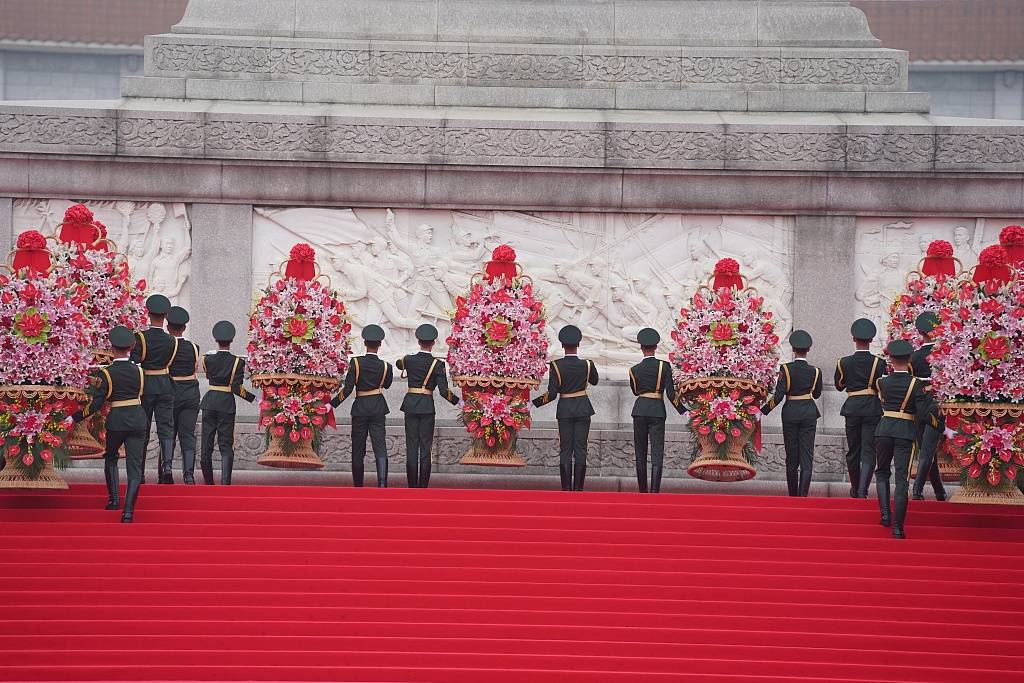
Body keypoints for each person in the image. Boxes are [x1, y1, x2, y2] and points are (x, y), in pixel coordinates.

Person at [73, 326, 148, 523]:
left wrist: (76, 417)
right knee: (135, 468)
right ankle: (128, 512)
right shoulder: (140, 372)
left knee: (111, 456)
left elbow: (96, 404)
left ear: (112, 348)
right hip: (138, 419)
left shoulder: (105, 374)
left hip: (117, 421)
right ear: (131, 347)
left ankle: (114, 500)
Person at [875, 339, 937, 539]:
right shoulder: (915, 384)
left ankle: (885, 514)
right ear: (909, 359)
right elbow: (922, 413)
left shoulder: (881, 382)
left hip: (884, 429)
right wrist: (937, 423)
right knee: (901, 479)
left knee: (882, 471)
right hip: (904, 431)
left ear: (891, 359)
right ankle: (898, 527)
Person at [533, 325, 600, 491]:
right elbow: (595, 381)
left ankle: (566, 490)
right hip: (583, 409)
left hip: (565, 410)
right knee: (581, 448)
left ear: (562, 345)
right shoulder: (588, 364)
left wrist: (534, 403)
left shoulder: (556, 366)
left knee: (565, 449)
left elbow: (552, 394)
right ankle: (578, 489)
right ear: (579, 344)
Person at [396, 324, 460, 488]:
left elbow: (398, 364)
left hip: (410, 405)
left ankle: (412, 486)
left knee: (412, 445)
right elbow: (444, 392)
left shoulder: (408, 360)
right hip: (426, 406)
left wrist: (407, 361)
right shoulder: (438, 365)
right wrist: (459, 403)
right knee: (426, 446)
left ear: (418, 341)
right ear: (433, 343)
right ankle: (423, 487)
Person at [762, 330, 823, 497]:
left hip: (790, 413)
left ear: (793, 349)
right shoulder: (816, 371)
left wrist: (763, 411)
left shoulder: (786, 369)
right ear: (808, 349)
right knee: (806, 455)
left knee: (792, 456)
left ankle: (793, 496)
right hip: (809, 413)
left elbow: (779, 396)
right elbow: (816, 394)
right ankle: (803, 496)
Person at [333, 325, 394, 487]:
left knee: (358, 447)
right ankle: (382, 484)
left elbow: (347, 389)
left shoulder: (356, 363)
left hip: (360, 408)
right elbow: (387, 385)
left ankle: (358, 485)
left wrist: (331, 405)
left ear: (365, 343)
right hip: (378, 407)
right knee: (380, 445)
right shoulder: (387, 366)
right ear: (380, 344)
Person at [835, 319, 888, 498]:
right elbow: (882, 387)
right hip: (871, 409)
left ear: (853, 338)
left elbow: (839, 385)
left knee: (853, 450)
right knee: (868, 450)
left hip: (852, 409)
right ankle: (862, 490)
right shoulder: (878, 363)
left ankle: (855, 487)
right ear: (871, 340)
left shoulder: (844, 362)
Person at [628, 328, 685, 493]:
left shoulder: (633, 370)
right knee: (657, 452)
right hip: (657, 411)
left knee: (640, 452)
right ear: (656, 346)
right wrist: (682, 410)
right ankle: (654, 492)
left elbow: (635, 391)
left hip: (639, 410)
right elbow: (670, 393)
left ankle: (642, 491)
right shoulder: (664, 366)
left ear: (641, 347)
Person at [198, 321, 256, 485]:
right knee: (225, 444)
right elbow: (237, 388)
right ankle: (225, 483)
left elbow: (209, 376)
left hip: (209, 402)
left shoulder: (207, 359)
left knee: (206, 444)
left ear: (216, 339)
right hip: (226, 404)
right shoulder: (238, 362)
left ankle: (208, 483)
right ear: (232, 340)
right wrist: (254, 399)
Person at [130, 294, 177, 484]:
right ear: (166, 315)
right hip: (165, 385)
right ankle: (167, 466)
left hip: (146, 386)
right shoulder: (172, 341)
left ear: (148, 314)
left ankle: (139, 474)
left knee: (144, 429)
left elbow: (134, 361)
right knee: (166, 428)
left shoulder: (140, 337)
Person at [909, 312, 948, 502]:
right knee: (928, 448)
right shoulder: (945, 353)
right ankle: (917, 490)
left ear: (919, 332)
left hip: (918, 406)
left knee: (926, 448)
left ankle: (939, 491)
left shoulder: (913, 357)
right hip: (936, 405)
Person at [166, 306, 200, 485]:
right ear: (184, 328)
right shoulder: (195, 348)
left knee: (168, 435)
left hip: (171, 393)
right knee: (187, 435)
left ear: (167, 327)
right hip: (190, 395)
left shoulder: (166, 346)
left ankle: (167, 472)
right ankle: (189, 475)